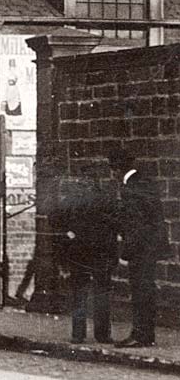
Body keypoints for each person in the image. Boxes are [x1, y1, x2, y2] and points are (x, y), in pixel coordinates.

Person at [108, 146, 171, 348]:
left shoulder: (131, 188)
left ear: (116, 169)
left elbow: (135, 224)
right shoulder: (143, 182)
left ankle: (141, 335)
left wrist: (126, 253)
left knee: (140, 291)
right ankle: (146, 334)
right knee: (146, 290)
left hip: (141, 248)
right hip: (150, 247)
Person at [53, 177, 119, 344]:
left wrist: (68, 233)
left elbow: (54, 218)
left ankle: (78, 334)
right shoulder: (106, 199)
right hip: (101, 252)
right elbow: (117, 223)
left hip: (79, 251)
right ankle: (103, 334)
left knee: (79, 293)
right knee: (102, 292)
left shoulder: (73, 199)